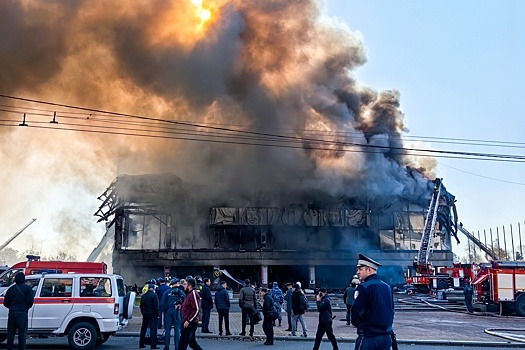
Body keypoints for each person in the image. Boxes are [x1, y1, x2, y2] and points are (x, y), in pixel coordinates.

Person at [351, 253, 394, 350]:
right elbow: (391, 310)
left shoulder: (364, 287)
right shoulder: (387, 287)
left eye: (360, 269)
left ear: (369, 270)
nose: (358, 272)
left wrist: (356, 323)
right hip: (386, 337)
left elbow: (357, 312)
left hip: (368, 336)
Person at [3, 272, 34, 350]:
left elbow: (5, 303)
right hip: (23, 312)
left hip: (12, 312)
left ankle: (9, 348)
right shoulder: (28, 289)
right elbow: (30, 301)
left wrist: (12, 307)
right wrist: (26, 307)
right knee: (22, 334)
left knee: (10, 334)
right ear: (23, 279)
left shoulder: (10, 289)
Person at [178, 277, 203, 350]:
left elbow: (196, 309)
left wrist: (188, 320)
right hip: (187, 321)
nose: (184, 286)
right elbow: (188, 306)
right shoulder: (188, 294)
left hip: (190, 322)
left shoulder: (193, 293)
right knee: (192, 343)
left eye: (185, 284)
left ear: (190, 285)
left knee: (182, 343)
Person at [162, 278, 185, 350]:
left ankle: (166, 346)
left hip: (168, 311)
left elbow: (163, 303)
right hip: (177, 311)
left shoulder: (167, 292)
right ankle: (177, 347)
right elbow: (185, 301)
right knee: (177, 329)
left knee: (167, 329)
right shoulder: (181, 292)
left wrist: (164, 311)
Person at [139, 284, 159, 349]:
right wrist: (157, 314)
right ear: (153, 289)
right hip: (152, 314)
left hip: (145, 314)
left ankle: (141, 344)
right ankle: (153, 345)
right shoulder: (154, 296)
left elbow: (141, 306)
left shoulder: (144, 296)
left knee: (143, 329)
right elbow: (156, 306)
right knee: (153, 329)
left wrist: (143, 312)